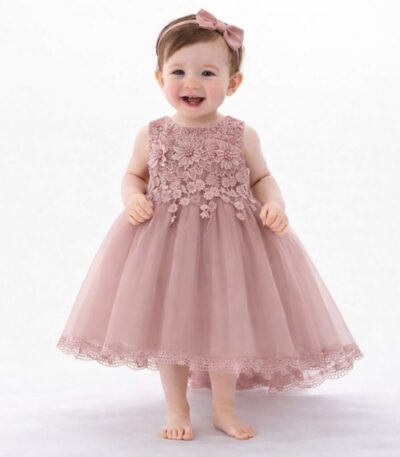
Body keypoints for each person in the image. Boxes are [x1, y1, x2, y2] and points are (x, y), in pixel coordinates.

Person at [56, 8, 364, 442]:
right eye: (178, 71)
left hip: (231, 245)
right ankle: (177, 406)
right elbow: (133, 175)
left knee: (227, 324)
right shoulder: (152, 134)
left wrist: (274, 204)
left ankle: (223, 408)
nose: (192, 83)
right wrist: (133, 198)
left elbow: (262, 177)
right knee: (168, 325)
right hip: (165, 244)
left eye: (207, 72)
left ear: (232, 83)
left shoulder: (241, 135)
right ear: (159, 78)